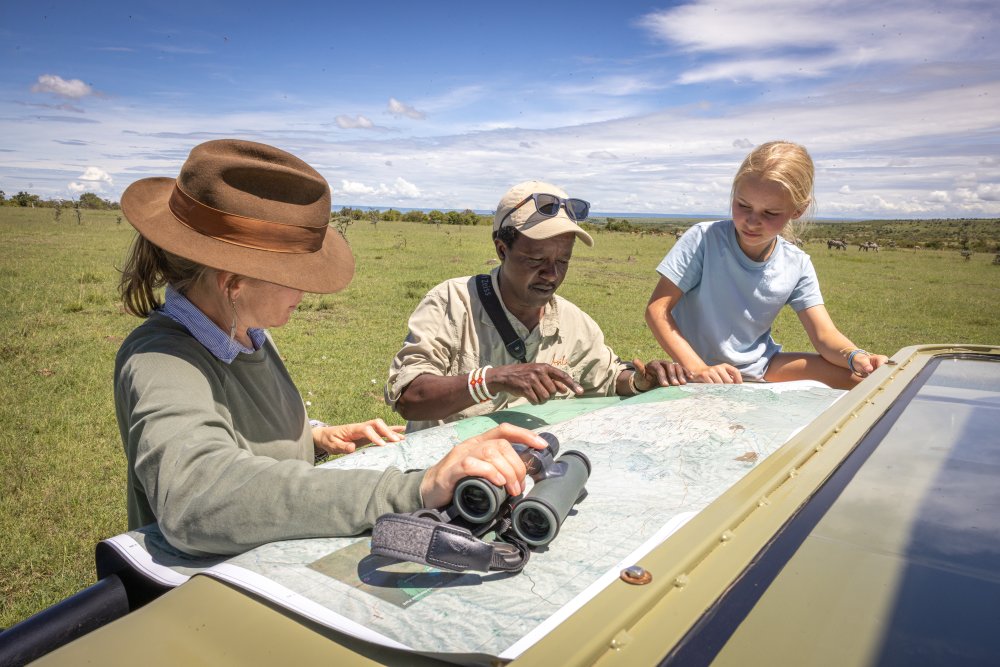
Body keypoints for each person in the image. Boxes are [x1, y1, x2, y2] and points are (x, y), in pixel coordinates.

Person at [115, 139, 548, 557]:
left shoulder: (242, 331)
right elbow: (198, 497)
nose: (308, 289)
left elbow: (233, 431)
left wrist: (316, 437)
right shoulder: (162, 360)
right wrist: (414, 488)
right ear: (234, 283)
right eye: (296, 272)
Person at [385, 180, 685, 432]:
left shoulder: (572, 321)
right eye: (536, 260)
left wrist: (641, 380)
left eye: (563, 261)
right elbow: (411, 397)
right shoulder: (452, 302)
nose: (552, 275)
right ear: (502, 249)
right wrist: (494, 379)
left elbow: (608, 379)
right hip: (449, 481)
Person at [645, 141, 889, 390]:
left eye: (770, 213)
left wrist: (856, 357)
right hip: (697, 367)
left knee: (865, 384)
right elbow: (657, 310)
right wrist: (698, 368)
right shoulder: (703, 239)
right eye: (743, 205)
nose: (752, 221)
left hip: (765, 366)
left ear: (798, 210)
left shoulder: (797, 264)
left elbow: (824, 335)